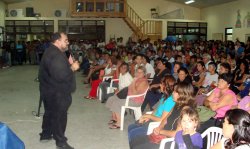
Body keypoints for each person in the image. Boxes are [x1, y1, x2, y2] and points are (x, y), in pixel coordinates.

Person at [39, 32, 79, 149]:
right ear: (57, 41)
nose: (68, 42)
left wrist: (67, 64)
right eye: (65, 40)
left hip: (48, 90)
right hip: (57, 92)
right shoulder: (56, 55)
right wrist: (72, 67)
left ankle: (46, 134)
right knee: (59, 116)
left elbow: (56, 71)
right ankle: (60, 141)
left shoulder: (50, 51)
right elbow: (61, 76)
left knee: (50, 112)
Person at [130, 82, 196, 149]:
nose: (172, 93)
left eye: (175, 92)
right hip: (163, 135)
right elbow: (165, 119)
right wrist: (159, 128)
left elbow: (176, 134)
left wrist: (161, 132)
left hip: (171, 142)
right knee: (134, 141)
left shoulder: (186, 112)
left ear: (182, 95)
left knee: (137, 146)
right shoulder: (177, 104)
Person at [128, 75, 176, 144]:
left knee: (133, 132)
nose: (160, 85)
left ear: (167, 87)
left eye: (162, 84)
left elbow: (162, 119)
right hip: (152, 120)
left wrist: (149, 116)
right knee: (131, 127)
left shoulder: (170, 101)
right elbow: (156, 109)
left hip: (155, 124)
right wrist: (148, 116)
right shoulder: (164, 96)